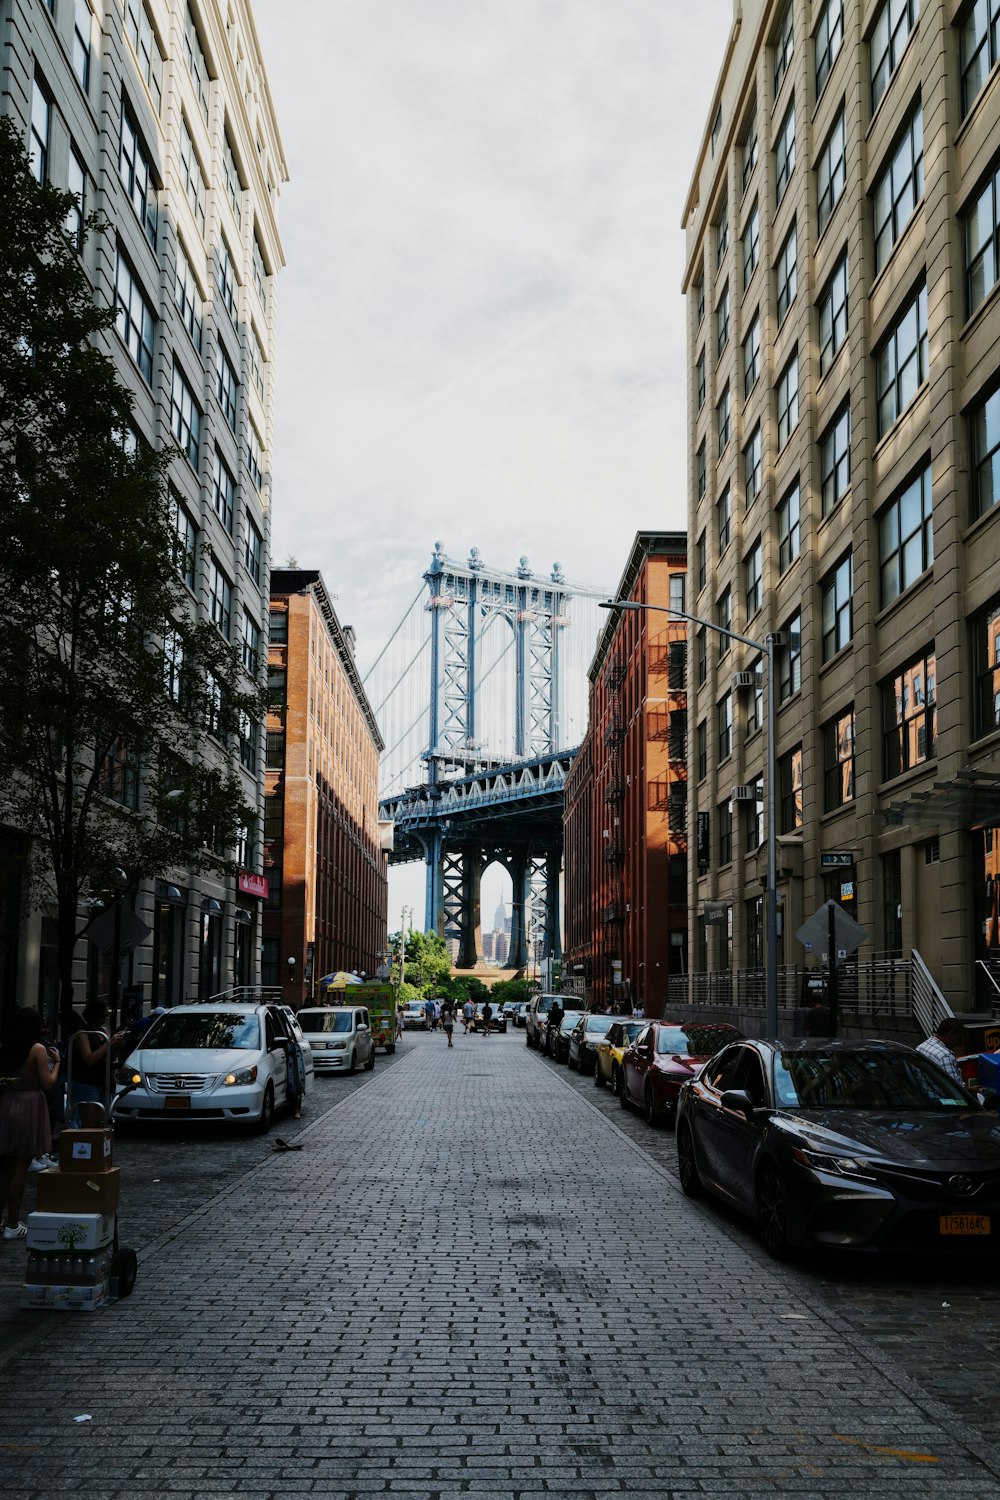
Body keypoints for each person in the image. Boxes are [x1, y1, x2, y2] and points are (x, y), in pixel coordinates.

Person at [0, 1008, 61, 1240]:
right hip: (29, 1105)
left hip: (7, 1103)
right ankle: (13, 1223)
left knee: (4, 1168)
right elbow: (47, 1083)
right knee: (19, 1168)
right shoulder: (37, 1049)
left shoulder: (6, 1048)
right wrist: (57, 1063)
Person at [67, 1001, 122, 1126]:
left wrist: (116, 1046)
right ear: (95, 1016)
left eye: (107, 1015)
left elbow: (109, 1057)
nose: (105, 1018)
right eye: (103, 1015)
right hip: (87, 1082)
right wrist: (109, 1043)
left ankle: (98, 1145)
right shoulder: (83, 1034)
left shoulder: (102, 1031)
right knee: (90, 1123)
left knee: (101, 1121)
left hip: (102, 1082)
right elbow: (89, 1059)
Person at [916, 1018, 966, 1086]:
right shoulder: (945, 1057)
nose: (958, 1044)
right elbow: (956, 1089)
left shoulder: (921, 1047)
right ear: (951, 1034)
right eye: (959, 1039)